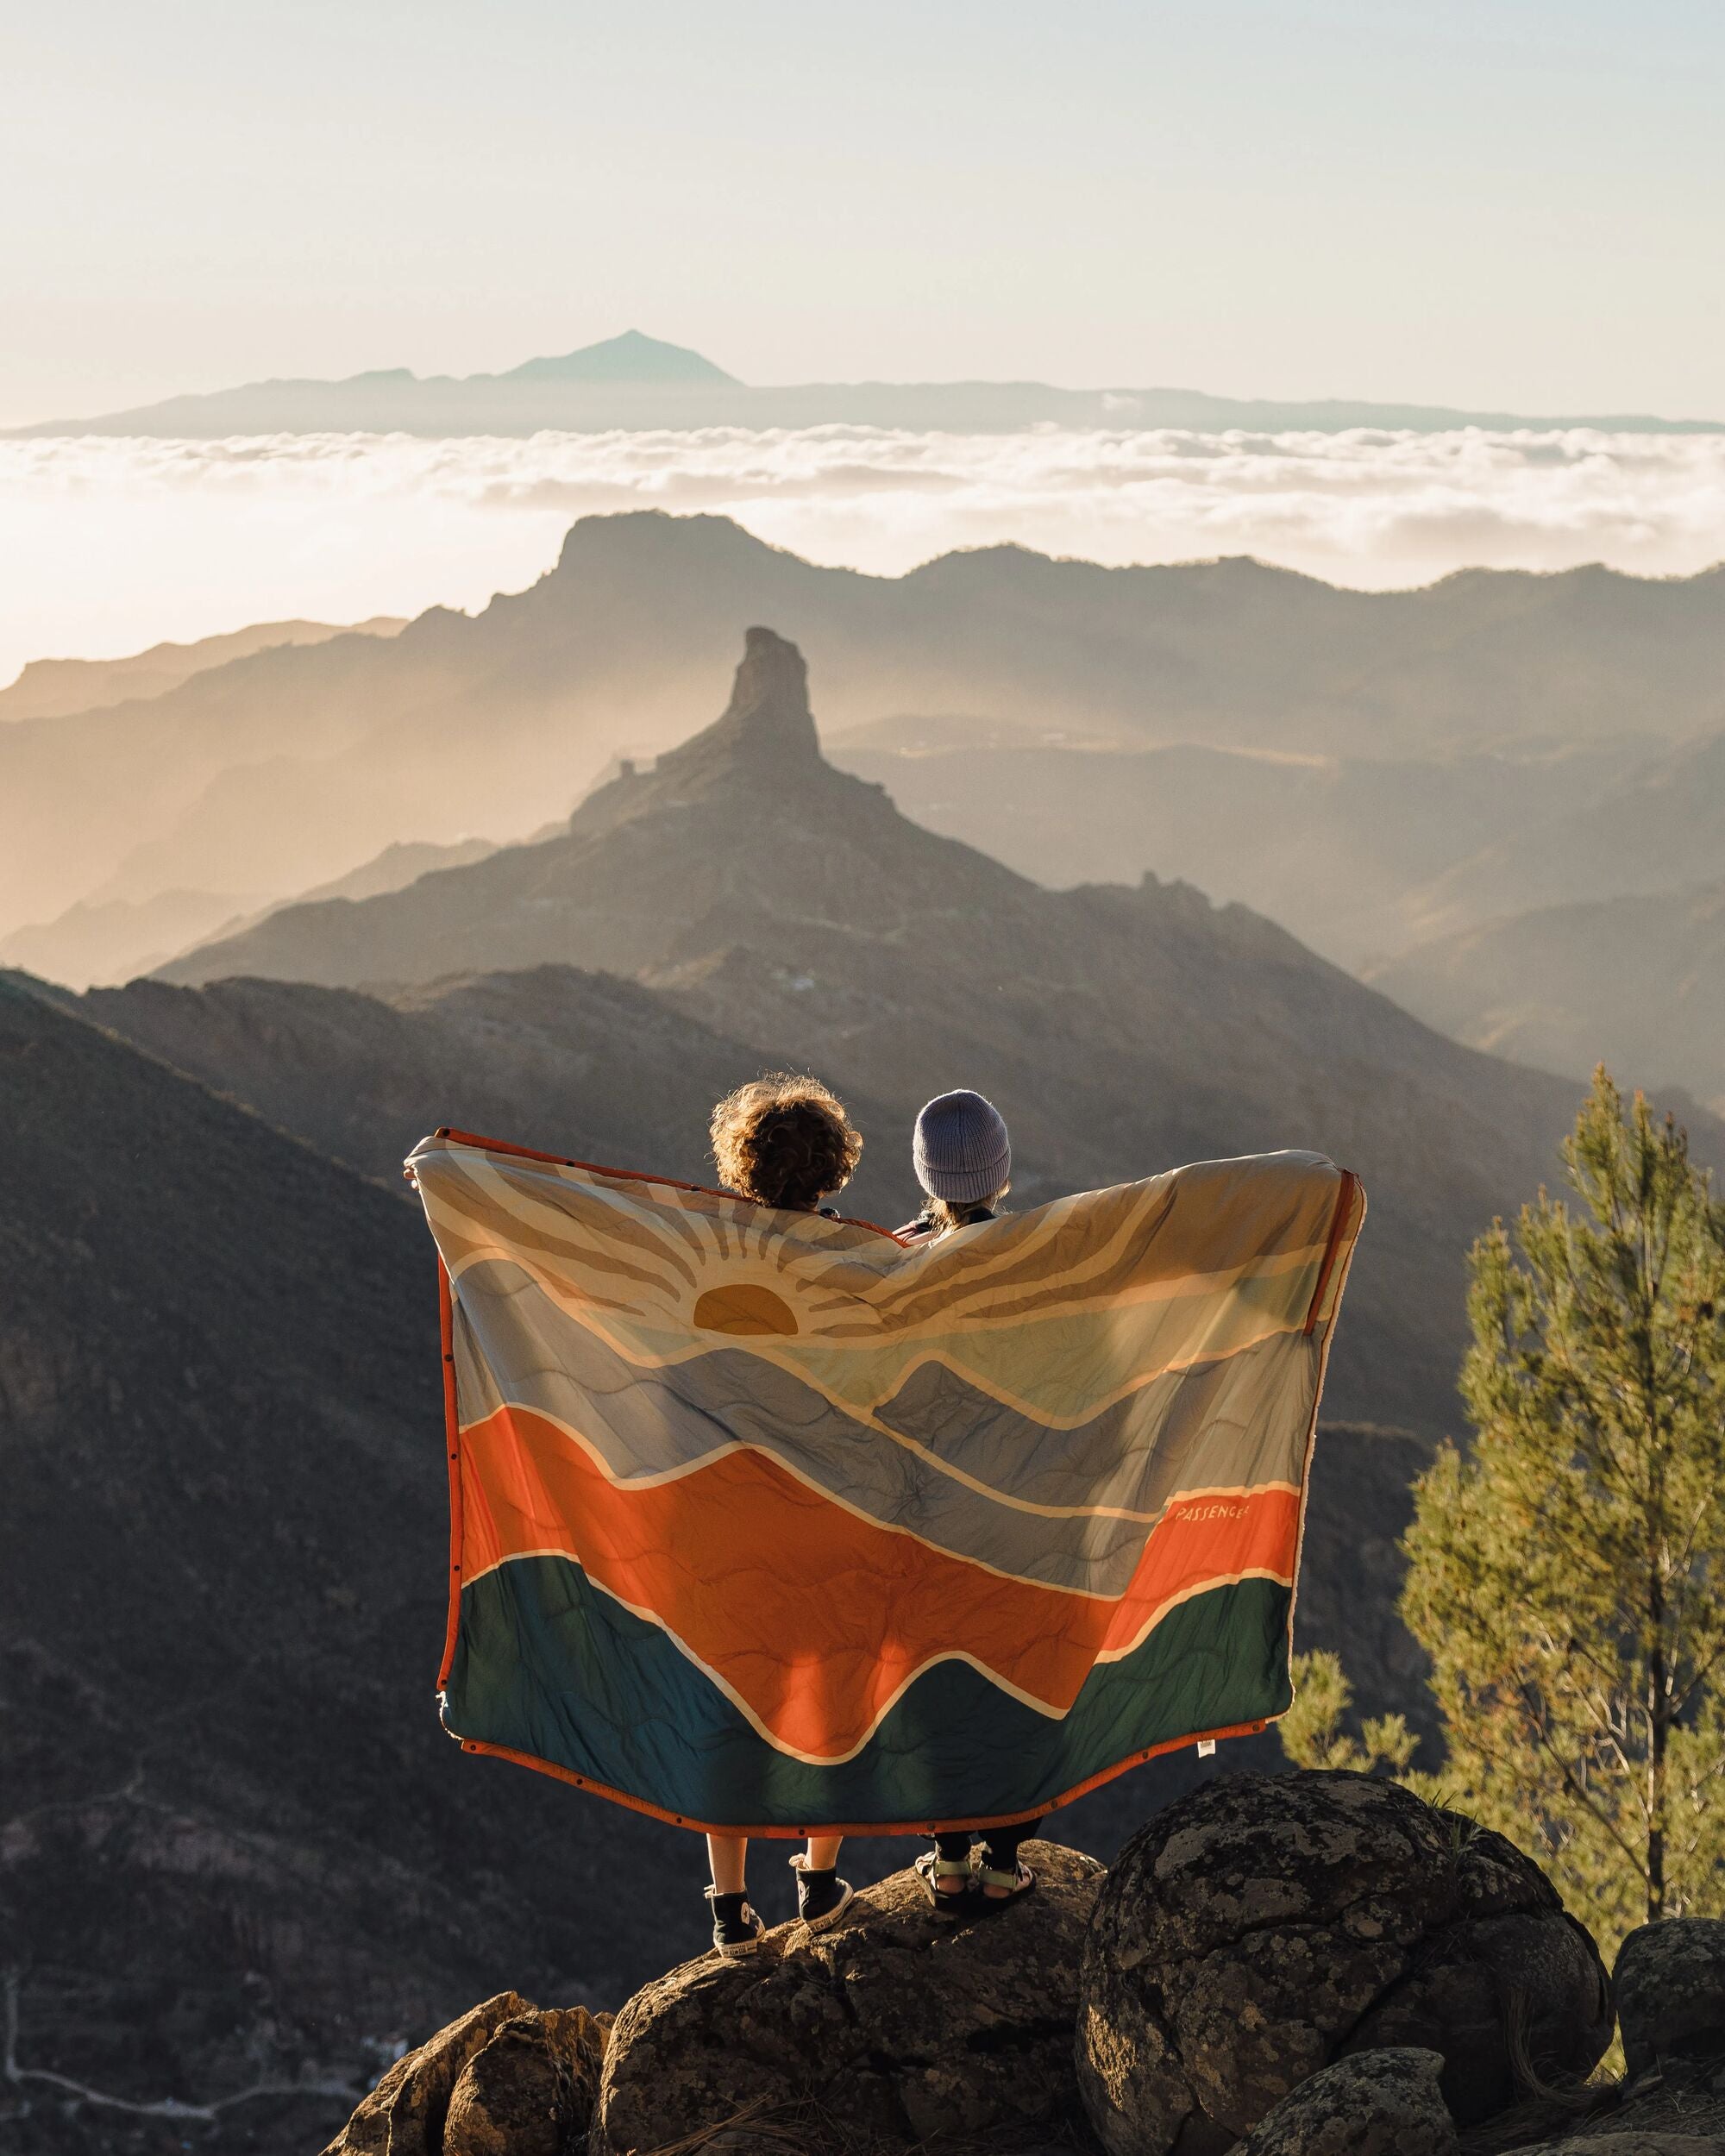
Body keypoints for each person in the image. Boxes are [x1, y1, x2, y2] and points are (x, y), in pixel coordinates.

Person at [700, 1072, 865, 1957]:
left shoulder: (709, 1259)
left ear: (743, 1167)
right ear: (832, 1169)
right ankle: (819, 1875)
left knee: (737, 1696)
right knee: (830, 1686)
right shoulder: (867, 1264)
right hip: (832, 1508)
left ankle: (728, 1908)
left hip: (736, 1511)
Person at [900, 1090, 1040, 1915]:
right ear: (1004, 1171)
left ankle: (948, 1864)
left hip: (923, 1513)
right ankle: (1002, 1864)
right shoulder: (1041, 1256)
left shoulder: (893, 1259)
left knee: (938, 1684)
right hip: (1017, 1508)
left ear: (925, 1177)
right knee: (1013, 1682)